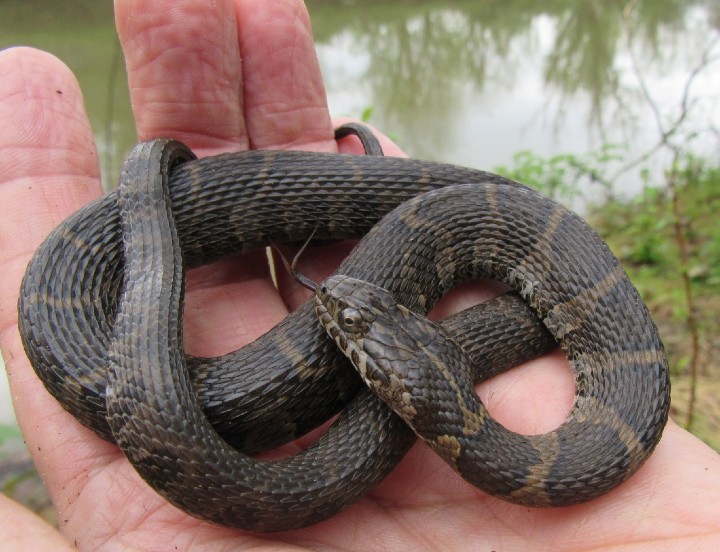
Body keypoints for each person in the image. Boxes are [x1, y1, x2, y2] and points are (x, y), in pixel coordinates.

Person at [0, 1, 718, 550]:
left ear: (401, 398)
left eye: (350, 328)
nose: (337, 301)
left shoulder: (560, 442)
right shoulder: (436, 379)